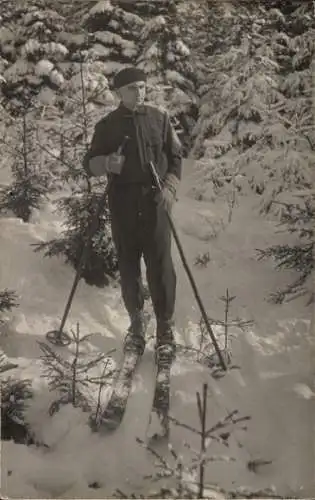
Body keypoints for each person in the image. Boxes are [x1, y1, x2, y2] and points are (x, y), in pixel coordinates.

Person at [83, 66, 182, 363]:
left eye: (142, 87)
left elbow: (175, 155)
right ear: (119, 94)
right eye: (132, 89)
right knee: (128, 264)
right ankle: (136, 324)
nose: (139, 93)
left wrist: (171, 189)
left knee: (161, 264)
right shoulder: (106, 126)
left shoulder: (160, 119)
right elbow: (88, 163)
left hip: (155, 200)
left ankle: (164, 328)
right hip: (123, 201)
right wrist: (105, 163)